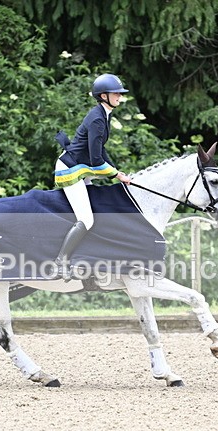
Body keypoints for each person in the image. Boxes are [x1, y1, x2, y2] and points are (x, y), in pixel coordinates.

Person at [53, 73, 132, 280]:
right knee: (86, 219)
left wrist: (116, 170)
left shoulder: (104, 114)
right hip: (70, 169)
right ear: (104, 96)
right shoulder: (98, 118)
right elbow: (96, 160)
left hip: (82, 167)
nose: (120, 96)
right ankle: (61, 263)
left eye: (120, 93)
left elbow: (100, 150)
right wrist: (117, 175)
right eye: (116, 93)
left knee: (96, 208)